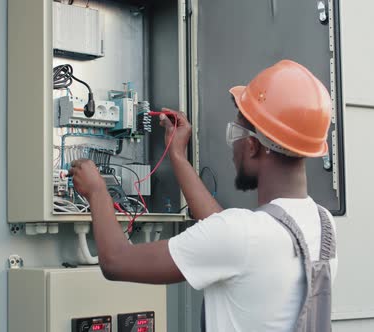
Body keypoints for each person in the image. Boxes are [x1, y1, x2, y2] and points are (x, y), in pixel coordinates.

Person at [69, 60, 338, 332]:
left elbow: (116, 261)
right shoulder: (323, 224)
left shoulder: (240, 235)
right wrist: (177, 156)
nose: (233, 145)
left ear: (254, 146)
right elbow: (226, 232)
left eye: (236, 133)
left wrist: (97, 190)